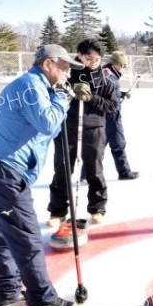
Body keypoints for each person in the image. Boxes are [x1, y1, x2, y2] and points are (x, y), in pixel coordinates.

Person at [0, 44, 82, 306]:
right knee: (27, 237)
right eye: (64, 66)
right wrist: (62, 98)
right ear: (48, 64)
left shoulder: (35, 87)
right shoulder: (31, 86)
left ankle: (8, 293)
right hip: (4, 171)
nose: (67, 72)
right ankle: (41, 298)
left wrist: (62, 98)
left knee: (4, 235)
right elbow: (47, 123)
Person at [47, 39, 117, 227]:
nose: (93, 60)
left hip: (94, 128)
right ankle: (57, 211)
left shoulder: (105, 79)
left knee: (95, 169)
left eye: (97, 57)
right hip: (68, 126)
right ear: (79, 55)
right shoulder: (69, 73)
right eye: (89, 57)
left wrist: (92, 98)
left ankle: (97, 209)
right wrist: (69, 92)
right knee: (62, 169)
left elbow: (112, 105)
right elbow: (53, 92)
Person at [102, 50, 139, 180]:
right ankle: (124, 172)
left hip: (104, 115)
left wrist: (120, 94)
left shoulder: (106, 72)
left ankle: (87, 173)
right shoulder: (110, 77)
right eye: (123, 66)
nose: (124, 69)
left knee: (99, 145)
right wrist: (116, 99)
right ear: (117, 64)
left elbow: (108, 93)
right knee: (118, 142)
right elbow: (106, 95)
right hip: (111, 115)